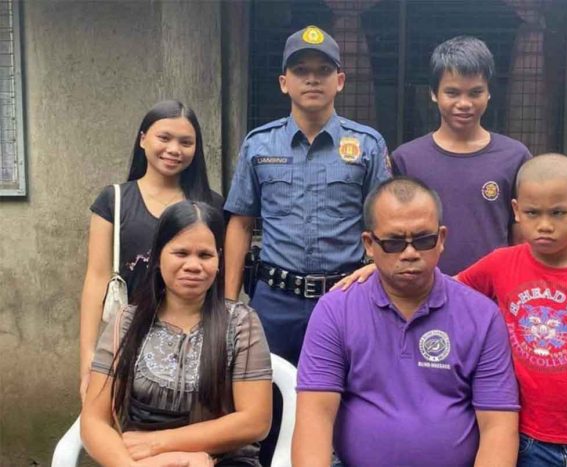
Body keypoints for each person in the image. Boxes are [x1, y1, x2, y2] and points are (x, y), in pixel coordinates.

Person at [293, 177, 520, 467]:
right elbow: (315, 417)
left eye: (423, 240)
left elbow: (498, 427)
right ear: (369, 244)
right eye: (394, 243)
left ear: (441, 240)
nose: (410, 253)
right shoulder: (336, 310)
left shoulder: (482, 316)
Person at [456, 154, 567, 466]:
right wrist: (376, 274)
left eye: (558, 213)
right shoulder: (500, 264)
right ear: (516, 211)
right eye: (532, 213)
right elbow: (444, 290)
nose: (544, 225)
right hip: (528, 443)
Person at [224, 25, 391, 365]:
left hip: (346, 295)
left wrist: (375, 268)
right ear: (284, 82)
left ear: (340, 80)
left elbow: (386, 222)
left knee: (346, 398)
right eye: (301, 71)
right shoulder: (259, 145)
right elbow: (240, 223)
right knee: (269, 400)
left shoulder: (367, 145)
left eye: (323, 71)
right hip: (274, 300)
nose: (312, 79)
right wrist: (228, 304)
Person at [81, 201, 272, 467]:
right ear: (158, 257)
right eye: (181, 253)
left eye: (205, 255)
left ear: (218, 261)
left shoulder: (240, 323)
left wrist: (161, 444)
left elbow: (255, 421)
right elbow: (93, 421)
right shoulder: (127, 322)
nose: (193, 265)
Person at [333, 36, 530, 289]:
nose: (464, 103)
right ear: (434, 94)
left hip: (493, 293)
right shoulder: (407, 159)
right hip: (422, 293)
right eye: (452, 92)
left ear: (489, 93)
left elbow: (522, 238)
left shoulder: (514, 157)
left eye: (475, 92)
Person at [80, 100, 224, 400]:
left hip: (194, 342)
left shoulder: (211, 205)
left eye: (186, 142)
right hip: (127, 340)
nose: (174, 149)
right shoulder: (114, 200)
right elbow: (96, 279)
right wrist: (88, 360)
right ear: (143, 138)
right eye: (164, 138)